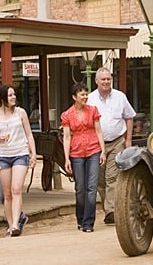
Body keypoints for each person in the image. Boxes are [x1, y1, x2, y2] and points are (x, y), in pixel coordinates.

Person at [87, 67, 136, 225]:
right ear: (96, 81)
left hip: (116, 142)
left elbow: (129, 117)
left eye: (109, 79)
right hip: (96, 145)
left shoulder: (120, 97)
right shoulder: (90, 99)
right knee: (99, 180)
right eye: (103, 79)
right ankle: (107, 206)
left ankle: (111, 211)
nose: (106, 82)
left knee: (112, 177)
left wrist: (128, 140)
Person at [0, 84, 37, 237]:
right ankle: (10, 225)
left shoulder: (21, 113)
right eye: (10, 95)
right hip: (3, 156)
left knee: (16, 189)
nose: (13, 97)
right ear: (2, 98)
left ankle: (16, 224)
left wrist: (33, 154)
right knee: (7, 194)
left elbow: (29, 134)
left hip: (20, 153)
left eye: (14, 94)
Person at [61, 82, 106, 232]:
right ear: (74, 97)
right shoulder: (67, 115)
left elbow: (99, 131)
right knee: (80, 188)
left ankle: (88, 222)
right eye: (82, 94)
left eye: (86, 93)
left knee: (91, 188)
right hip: (76, 153)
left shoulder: (93, 110)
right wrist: (66, 158)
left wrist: (103, 151)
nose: (85, 96)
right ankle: (80, 218)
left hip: (93, 149)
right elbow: (67, 136)